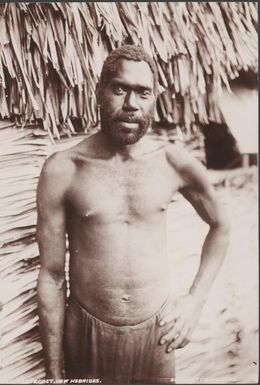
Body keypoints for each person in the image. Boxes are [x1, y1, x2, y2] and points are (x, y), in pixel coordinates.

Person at [36, 45, 230, 384]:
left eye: (143, 93)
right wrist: (54, 375)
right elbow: (52, 277)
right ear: (100, 92)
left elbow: (221, 225)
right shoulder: (63, 169)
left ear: (154, 99)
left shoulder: (172, 163)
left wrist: (195, 300)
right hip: (86, 335)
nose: (131, 105)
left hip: (156, 336)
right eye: (120, 89)